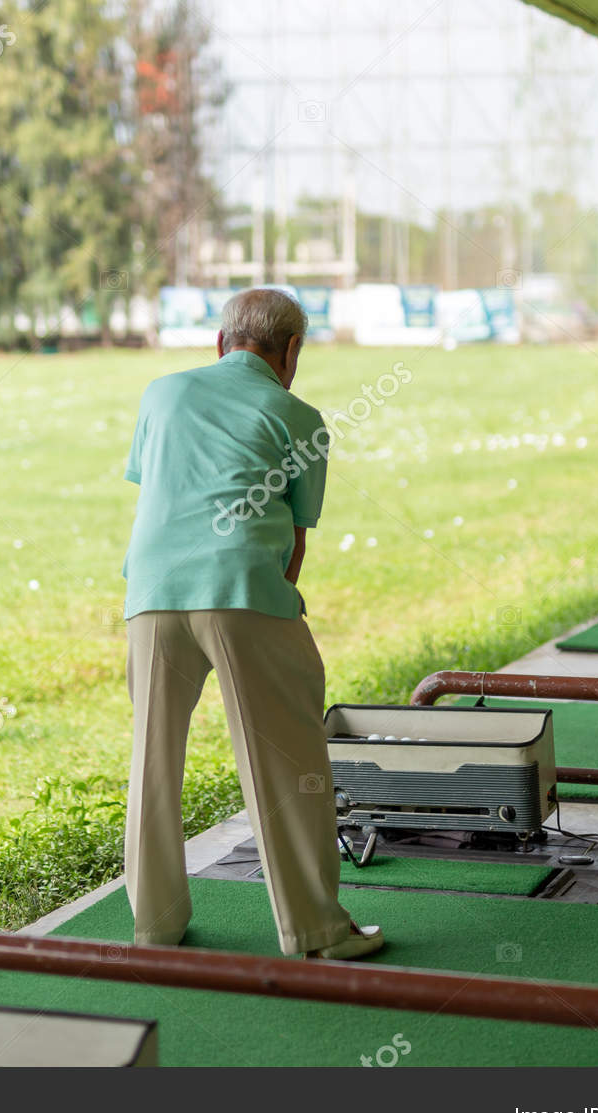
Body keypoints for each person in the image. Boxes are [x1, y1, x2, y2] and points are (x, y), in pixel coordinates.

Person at [120, 287, 384, 961]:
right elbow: (294, 543)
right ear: (291, 351)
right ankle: (315, 931)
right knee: (290, 762)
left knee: (153, 760)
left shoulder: (161, 393)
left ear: (220, 341)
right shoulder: (300, 417)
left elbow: (159, 492)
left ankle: (155, 926)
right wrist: (274, 607)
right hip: (241, 588)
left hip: (151, 592)